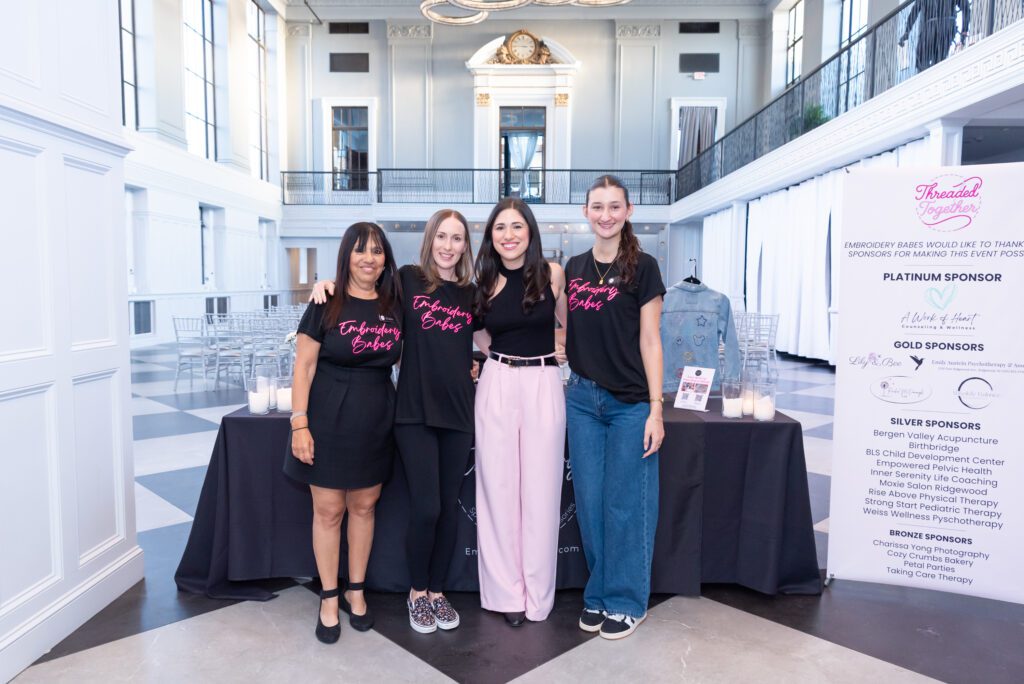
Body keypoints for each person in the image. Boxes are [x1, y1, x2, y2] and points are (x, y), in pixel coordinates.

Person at [311, 210, 477, 635]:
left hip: (459, 413)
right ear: (430, 239)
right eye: (442, 236)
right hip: (413, 412)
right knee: (427, 508)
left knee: (449, 511)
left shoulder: (471, 294)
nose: (448, 246)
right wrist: (326, 285)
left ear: (465, 246)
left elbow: (490, 339)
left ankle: (437, 591)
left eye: (457, 238)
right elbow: (363, 290)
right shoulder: (407, 280)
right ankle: (417, 593)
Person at [286, 222, 402, 644]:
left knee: (365, 507)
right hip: (328, 416)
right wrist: (299, 423)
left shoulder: (395, 303)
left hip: (377, 417)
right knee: (329, 510)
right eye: (360, 250)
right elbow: (303, 366)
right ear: (346, 256)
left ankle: (357, 591)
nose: (369, 258)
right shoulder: (326, 301)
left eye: (377, 250)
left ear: (386, 258)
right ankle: (329, 597)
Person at [563, 175, 666, 640]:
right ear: (585, 212)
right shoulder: (574, 268)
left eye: (614, 207)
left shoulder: (644, 268)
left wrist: (655, 409)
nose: (605, 215)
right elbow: (568, 328)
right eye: (597, 207)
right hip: (582, 400)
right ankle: (600, 592)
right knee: (590, 504)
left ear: (628, 211)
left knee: (627, 504)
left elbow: (651, 340)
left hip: (629, 404)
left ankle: (627, 601)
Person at [472, 197, 568, 627]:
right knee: (498, 489)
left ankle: (537, 594)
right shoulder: (482, 280)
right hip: (497, 380)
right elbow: (478, 332)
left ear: (530, 231)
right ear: (490, 236)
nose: (508, 235)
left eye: (516, 226)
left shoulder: (553, 274)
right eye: (500, 228)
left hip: (544, 381)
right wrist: (500, 358)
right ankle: (505, 595)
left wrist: (558, 351)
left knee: (542, 492)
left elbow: (567, 325)